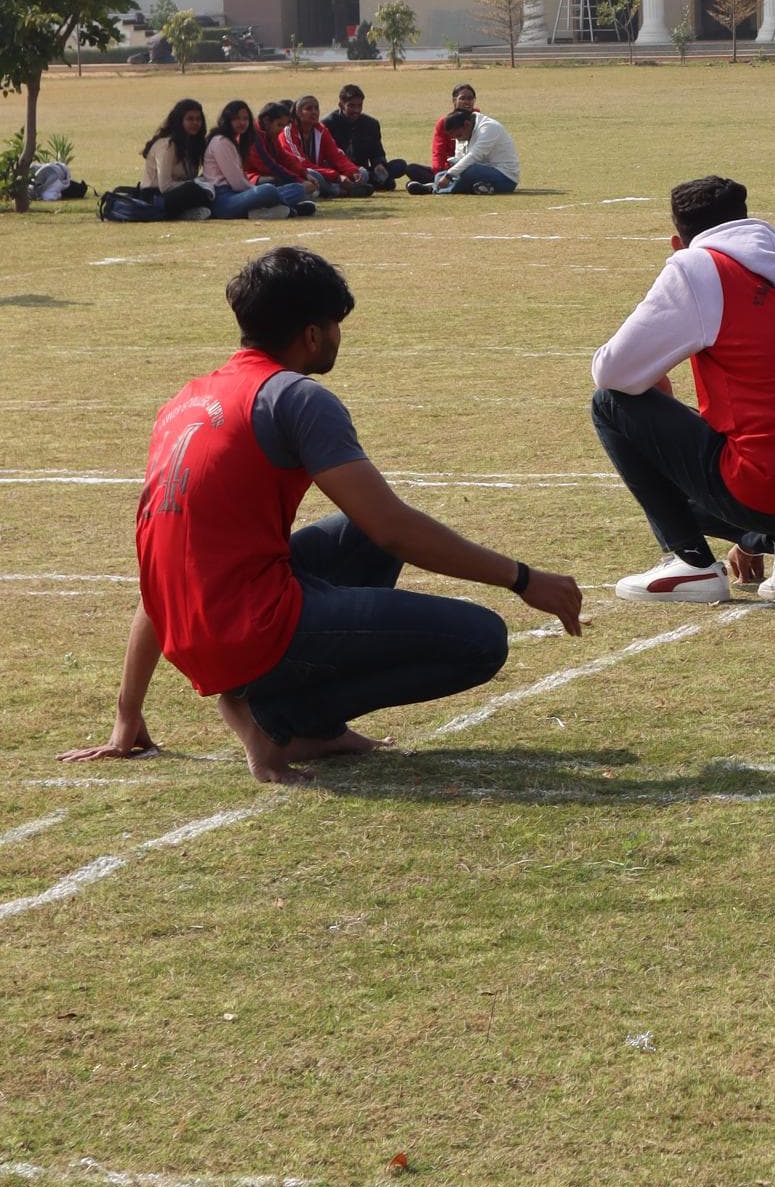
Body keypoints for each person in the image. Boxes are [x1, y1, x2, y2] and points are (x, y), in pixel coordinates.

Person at [62, 246, 581, 785]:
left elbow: (163, 563)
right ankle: (284, 722)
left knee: (359, 537)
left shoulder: (188, 399)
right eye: (336, 325)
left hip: (197, 623)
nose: (338, 338)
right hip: (246, 630)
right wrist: (522, 579)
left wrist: (127, 715)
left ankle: (289, 711)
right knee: (481, 640)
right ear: (312, 334)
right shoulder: (297, 397)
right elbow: (395, 529)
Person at [591, 173, 775, 602]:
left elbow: (612, 373)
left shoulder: (697, 266)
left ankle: (690, 564)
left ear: (677, 242)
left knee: (609, 404)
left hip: (771, 482)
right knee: (687, 464)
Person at [204, 100, 314, 218]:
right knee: (268, 190)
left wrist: (303, 174)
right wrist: (256, 191)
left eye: (245, 119)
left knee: (297, 189)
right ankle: (286, 209)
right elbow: (237, 183)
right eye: (236, 118)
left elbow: (284, 157)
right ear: (228, 120)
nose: (242, 122)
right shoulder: (221, 142)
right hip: (224, 199)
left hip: (241, 194)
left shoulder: (235, 141)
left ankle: (266, 210)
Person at [327, 83, 430, 189]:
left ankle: (371, 182)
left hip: (365, 170)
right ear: (341, 105)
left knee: (400, 165)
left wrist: (379, 165)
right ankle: (370, 183)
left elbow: (377, 152)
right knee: (387, 183)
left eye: (359, 106)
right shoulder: (328, 125)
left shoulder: (371, 124)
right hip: (342, 171)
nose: (356, 110)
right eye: (351, 106)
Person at [278, 93, 372, 199]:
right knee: (313, 174)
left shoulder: (321, 129)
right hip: (303, 174)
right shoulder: (288, 132)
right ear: (298, 113)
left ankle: (344, 188)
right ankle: (341, 191)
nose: (314, 112)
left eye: (316, 108)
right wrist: (337, 177)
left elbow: (336, 155)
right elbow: (301, 164)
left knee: (362, 172)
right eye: (308, 109)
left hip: (324, 172)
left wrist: (352, 172)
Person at [136, 99, 218, 219]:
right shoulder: (167, 145)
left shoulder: (194, 144)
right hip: (156, 196)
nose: (195, 123)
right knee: (194, 189)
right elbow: (165, 186)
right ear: (179, 121)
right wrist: (194, 184)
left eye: (198, 119)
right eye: (190, 119)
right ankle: (182, 214)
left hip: (179, 193)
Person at [432, 102, 520, 194]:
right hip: (482, 171)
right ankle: (482, 187)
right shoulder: (466, 129)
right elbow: (461, 158)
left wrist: (449, 175)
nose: (459, 139)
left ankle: (438, 190)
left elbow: (474, 156)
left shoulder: (489, 128)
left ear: (467, 124)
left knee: (466, 170)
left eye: (459, 135)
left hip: (506, 178)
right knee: (440, 175)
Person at [431, 82, 478, 177]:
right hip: (449, 166)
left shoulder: (479, 120)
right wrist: (438, 173)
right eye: (462, 98)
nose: (467, 102)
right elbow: (439, 151)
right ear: (454, 100)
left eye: (470, 98)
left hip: (471, 165)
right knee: (412, 169)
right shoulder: (444, 122)